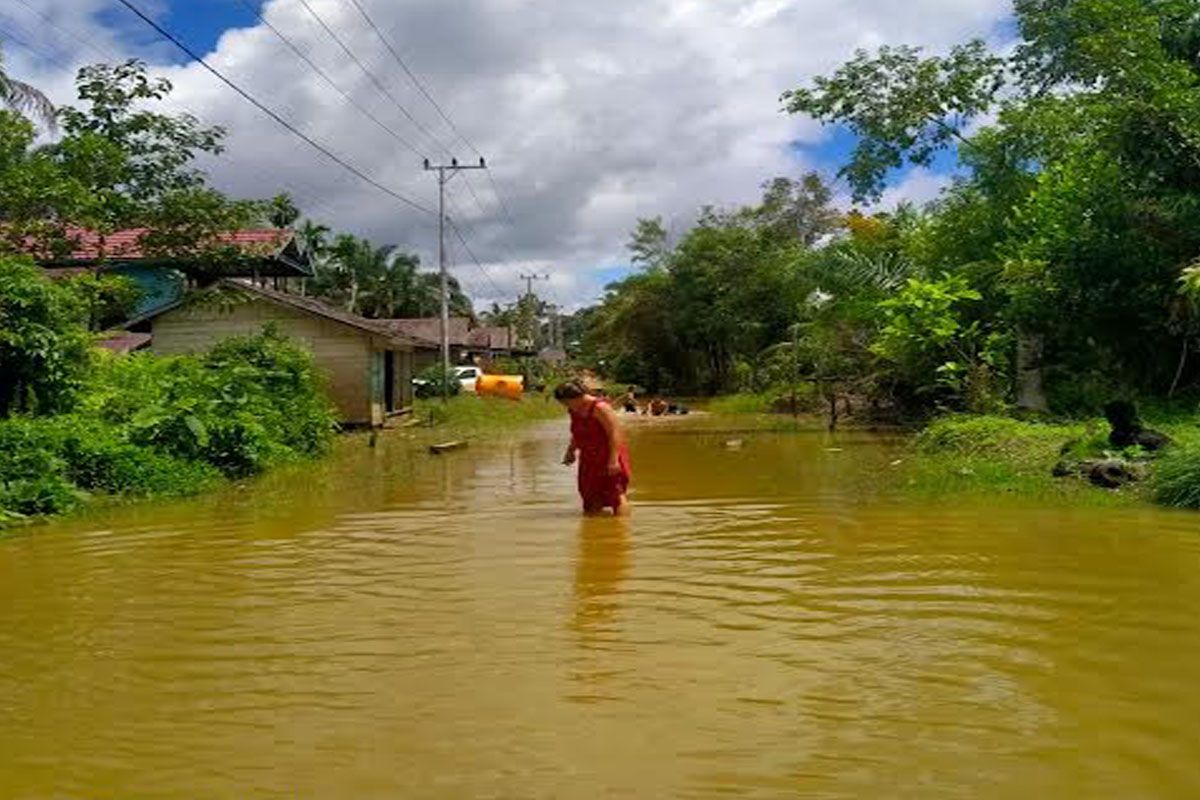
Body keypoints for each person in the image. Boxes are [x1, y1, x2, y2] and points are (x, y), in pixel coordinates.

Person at [556, 381, 632, 516]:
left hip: (609, 453)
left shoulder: (600, 407)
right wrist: (571, 450)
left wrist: (613, 460)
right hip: (589, 456)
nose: (565, 406)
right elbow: (577, 432)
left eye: (566, 402)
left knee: (615, 492)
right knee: (589, 493)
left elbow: (615, 433)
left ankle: (621, 530)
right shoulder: (575, 409)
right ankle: (594, 530)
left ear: (576, 398)